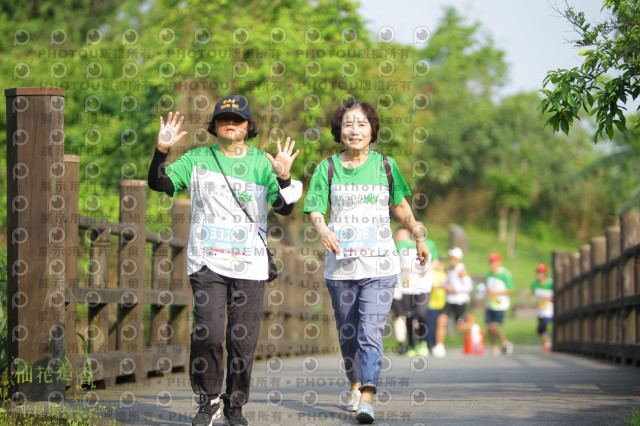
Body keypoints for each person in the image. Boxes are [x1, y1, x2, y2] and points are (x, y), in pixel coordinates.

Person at [147, 96, 302, 426]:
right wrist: (161, 151)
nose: (231, 123)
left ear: (248, 126)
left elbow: (284, 207)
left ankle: (235, 403)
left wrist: (285, 177)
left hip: (250, 264)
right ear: (215, 126)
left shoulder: (262, 162)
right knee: (208, 332)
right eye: (224, 118)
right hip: (207, 262)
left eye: (238, 119)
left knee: (242, 339)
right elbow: (159, 183)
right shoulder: (197, 158)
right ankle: (209, 398)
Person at [303, 99, 429, 424]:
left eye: (361, 124)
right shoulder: (327, 168)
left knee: (369, 332)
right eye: (348, 124)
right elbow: (316, 207)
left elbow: (400, 206)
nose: (354, 130)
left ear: (372, 129)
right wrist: (323, 228)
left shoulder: (386, 166)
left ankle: (368, 396)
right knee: (348, 333)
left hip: (379, 267)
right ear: (339, 130)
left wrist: (417, 233)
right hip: (340, 267)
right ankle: (355, 384)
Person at [397, 222, 434, 358]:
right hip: (407, 286)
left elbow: (434, 261)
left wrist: (427, 268)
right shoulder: (402, 245)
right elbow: (395, 263)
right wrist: (409, 269)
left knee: (422, 314)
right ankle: (411, 344)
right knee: (409, 316)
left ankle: (423, 342)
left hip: (423, 286)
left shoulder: (429, 244)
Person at [431, 247, 473, 358]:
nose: (451, 260)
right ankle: (439, 346)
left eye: (453, 258)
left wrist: (455, 289)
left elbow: (468, 286)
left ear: (458, 259)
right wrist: (439, 286)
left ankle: (473, 328)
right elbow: (447, 282)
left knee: (459, 326)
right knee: (441, 320)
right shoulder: (449, 269)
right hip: (449, 300)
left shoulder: (461, 270)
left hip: (460, 301)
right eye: (450, 258)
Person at [485, 252, 514, 356]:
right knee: (488, 327)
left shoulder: (505, 274)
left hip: (501, 305)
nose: (492, 264)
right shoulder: (489, 274)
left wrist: (497, 292)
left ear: (499, 262)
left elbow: (511, 290)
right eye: (491, 262)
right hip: (490, 304)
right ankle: (494, 346)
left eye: (494, 262)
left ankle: (505, 342)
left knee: (494, 327)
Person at [531, 263, 553, 354]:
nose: (540, 274)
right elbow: (533, 295)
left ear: (545, 273)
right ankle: (547, 344)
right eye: (538, 272)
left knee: (543, 326)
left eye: (542, 272)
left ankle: (548, 344)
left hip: (549, 311)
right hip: (540, 311)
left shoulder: (550, 283)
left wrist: (548, 298)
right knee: (540, 330)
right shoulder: (535, 284)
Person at [425, 258, 447, 352]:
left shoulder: (444, 274)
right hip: (432, 304)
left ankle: (437, 344)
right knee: (431, 326)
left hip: (442, 304)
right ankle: (428, 345)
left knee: (440, 325)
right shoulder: (431, 273)